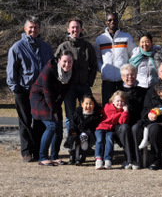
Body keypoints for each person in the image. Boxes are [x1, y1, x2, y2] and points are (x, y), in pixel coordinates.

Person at [6, 16, 54, 162]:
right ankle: (26, 152)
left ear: (40, 29)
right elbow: (11, 71)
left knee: (39, 121)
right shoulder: (17, 47)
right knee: (25, 121)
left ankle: (38, 150)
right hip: (23, 90)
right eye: (30, 27)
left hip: (41, 92)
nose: (33, 30)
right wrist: (16, 89)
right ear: (25, 29)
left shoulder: (46, 47)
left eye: (36, 27)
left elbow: (51, 68)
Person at [30, 50, 73, 166]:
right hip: (40, 99)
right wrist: (54, 110)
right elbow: (47, 91)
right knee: (51, 125)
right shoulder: (49, 69)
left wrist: (57, 105)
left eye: (70, 62)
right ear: (59, 61)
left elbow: (64, 91)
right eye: (64, 61)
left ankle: (55, 157)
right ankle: (42, 157)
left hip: (54, 100)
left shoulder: (70, 72)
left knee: (59, 128)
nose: (67, 64)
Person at [55, 18, 97, 133]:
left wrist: (89, 81)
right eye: (72, 27)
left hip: (84, 85)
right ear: (68, 29)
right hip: (69, 87)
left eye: (77, 27)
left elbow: (94, 65)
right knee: (70, 115)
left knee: (88, 113)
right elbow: (55, 66)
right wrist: (62, 82)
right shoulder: (63, 47)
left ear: (81, 29)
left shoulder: (88, 46)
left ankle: (86, 142)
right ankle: (72, 142)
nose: (75, 30)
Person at [94, 13, 136, 104]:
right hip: (107, 81)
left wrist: (128, 71)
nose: (112, 22)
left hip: (123, 80)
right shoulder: (100, 39)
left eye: (114, 20)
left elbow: (134, 55)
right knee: (108, 107)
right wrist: (103, 69)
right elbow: (97, 58)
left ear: (118, 21)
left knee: (125, 106)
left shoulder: (126, 37)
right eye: (109, 20)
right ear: (106, 22)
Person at [119, 64, 147, 169]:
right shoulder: (118, 91)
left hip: (138, 122)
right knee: (125, 128)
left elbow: (145, 109)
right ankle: (128, 160)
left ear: (136, 75)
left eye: (132, 74)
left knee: (135, 128)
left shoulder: (143, 92)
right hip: (122, 122)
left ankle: (137, 160)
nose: (129, 77)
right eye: (126, 75)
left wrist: (141, 121)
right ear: (122, 77)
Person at [94, 90, 129, 170]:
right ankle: (98, 159)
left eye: (122, 101)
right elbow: (98, 112)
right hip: (100, 128)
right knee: (99, 140)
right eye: (118, 101)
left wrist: (125, 112)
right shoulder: (107, 107)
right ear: (112, 101)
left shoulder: (122, 112)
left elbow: (122, 121)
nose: (120, 103)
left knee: (109, 140)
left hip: (110, 129)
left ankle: (108, 160)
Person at [64, 94, 101, 165]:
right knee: (72, 138)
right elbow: (72, 123)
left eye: (91, 104)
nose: (88, 106)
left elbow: (93, 128)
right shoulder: (77, 113)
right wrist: (73, 131)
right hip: (76, 131)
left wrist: (86, 132)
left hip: (88, 133)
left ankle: (82, 156)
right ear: (82, 105)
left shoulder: (95, 116)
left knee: (84, 138)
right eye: (86, 104)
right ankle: (72, 156)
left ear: (94, 105)